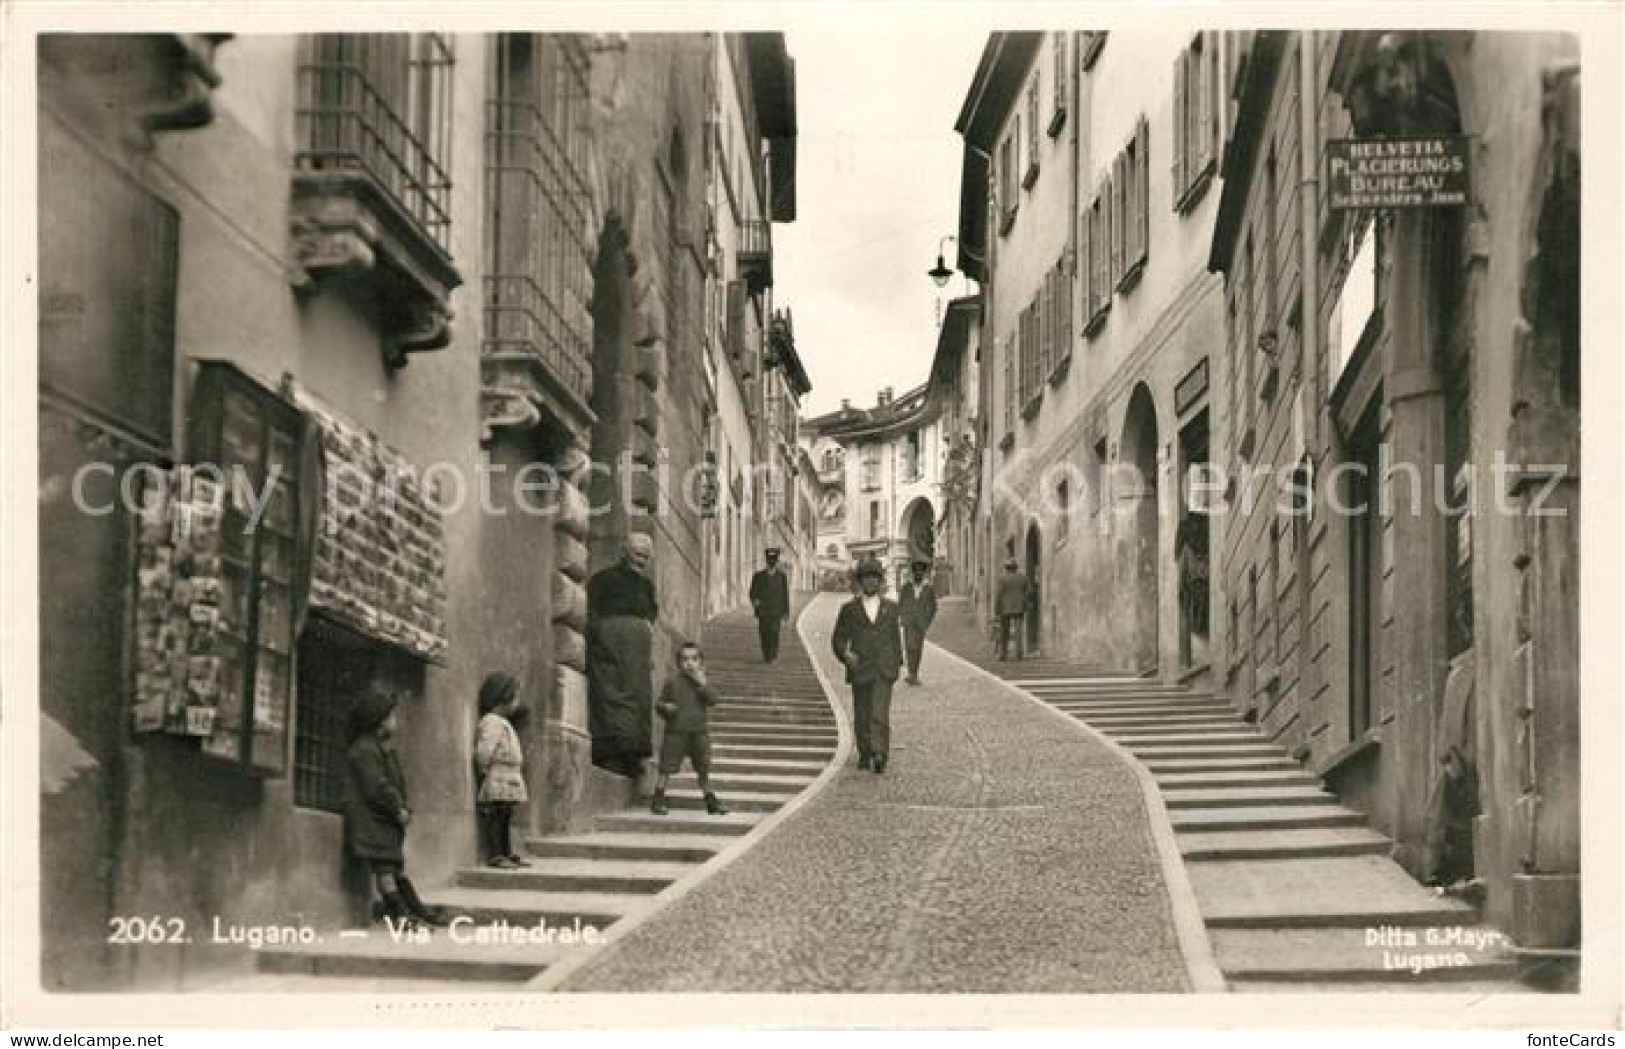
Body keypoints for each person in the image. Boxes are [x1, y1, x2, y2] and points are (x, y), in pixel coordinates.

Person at [344, 686, 445, 928]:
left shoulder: (375, 748)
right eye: (391, 717)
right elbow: (377, 787)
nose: (395, 721)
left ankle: (416, 910)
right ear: (378, 722)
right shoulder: (364, 750)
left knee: (393, 868)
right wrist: (397, 808)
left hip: (381, 820)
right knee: (385, 870)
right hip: (372, 820)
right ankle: (400, 916)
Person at [586, 533, 660, 779]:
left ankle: (633, 755)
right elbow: (591, 612)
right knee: (610, 694)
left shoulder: (647, 586)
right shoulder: (603, 580)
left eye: (646, 556)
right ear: (624, 552)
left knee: (638, 698)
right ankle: (610, 755)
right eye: (638, 554)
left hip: (637, 651)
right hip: (610, 645)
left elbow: (651, 615)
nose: (642, 561)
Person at [831, 555, 904, 773]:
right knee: (862, 713)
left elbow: (894, 638)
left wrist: (897, 664)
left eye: (875, 578)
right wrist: (845, 655)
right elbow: (838, 639)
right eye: (866, 578)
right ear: (860, 582)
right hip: (860, 668)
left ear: (881, 581)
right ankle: (864, 751)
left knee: (879, 713)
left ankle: (880, 753)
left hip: (884, 668)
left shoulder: (891, 609)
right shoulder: (849, 610)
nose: (871, 582)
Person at [649, 642, 729, 817]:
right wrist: (665, 707)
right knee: (666, 767)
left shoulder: (703, 681)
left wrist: (702, 684)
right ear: (679, 663)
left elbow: (713, 700)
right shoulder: (672, 681)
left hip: (698, 732)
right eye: (685, 659)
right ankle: (658, 798)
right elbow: (660, 704)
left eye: (694, 659)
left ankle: (710, 800)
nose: (689, 663)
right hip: (676, 731)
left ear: (701, 662)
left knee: (703, 767)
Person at [474, 672, 531, 870]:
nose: (516, 702)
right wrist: (484, 768)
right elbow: (485, 748)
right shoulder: (492, 722)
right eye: (514, 697)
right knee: (497, 817)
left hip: (508, 777)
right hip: (498, 776)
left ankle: (506, 851)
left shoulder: (501, 722)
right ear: (503, 698)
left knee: (506, 815)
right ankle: (496, 854)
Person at [898, 560, 938, 685]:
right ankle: (911, 674)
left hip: (921, 623)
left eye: (920, 572)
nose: (918, 574)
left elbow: (933, 607)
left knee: (918, 649)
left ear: (924, 574)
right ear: (913, 573)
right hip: (909, 622)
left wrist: (927, 621)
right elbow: (901, 604)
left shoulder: (928, 589)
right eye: (916, 572)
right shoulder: (906, 587)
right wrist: (903, 617)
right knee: (909, 647)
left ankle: (914, 673)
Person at [749, 547, 792, 662]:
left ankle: (773, 655)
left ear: (776, 561)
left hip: (776, 611)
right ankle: (766, 653)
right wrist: (755, 601)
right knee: (764, 633)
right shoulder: (758, 576)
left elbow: (785, 595)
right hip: (763, 611)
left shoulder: (782, 577)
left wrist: (786, 612)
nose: (772, 562)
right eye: (769, 560)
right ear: (767, 561)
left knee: (774, 632)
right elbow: (752, 592)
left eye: (774, 560)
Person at [996, 558, 1030, 661]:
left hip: (1004, 607)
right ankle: (1019, 654)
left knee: (1004, 632)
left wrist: (997, 608)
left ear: (1006, 568)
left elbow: (999, 594)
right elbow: (1027, 593)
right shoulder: (1023, 578)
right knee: (1019, 631)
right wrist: (1025, 604)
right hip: (1019, 607)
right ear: (1016, 568)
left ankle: (1003, 655)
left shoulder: (1002, 579)